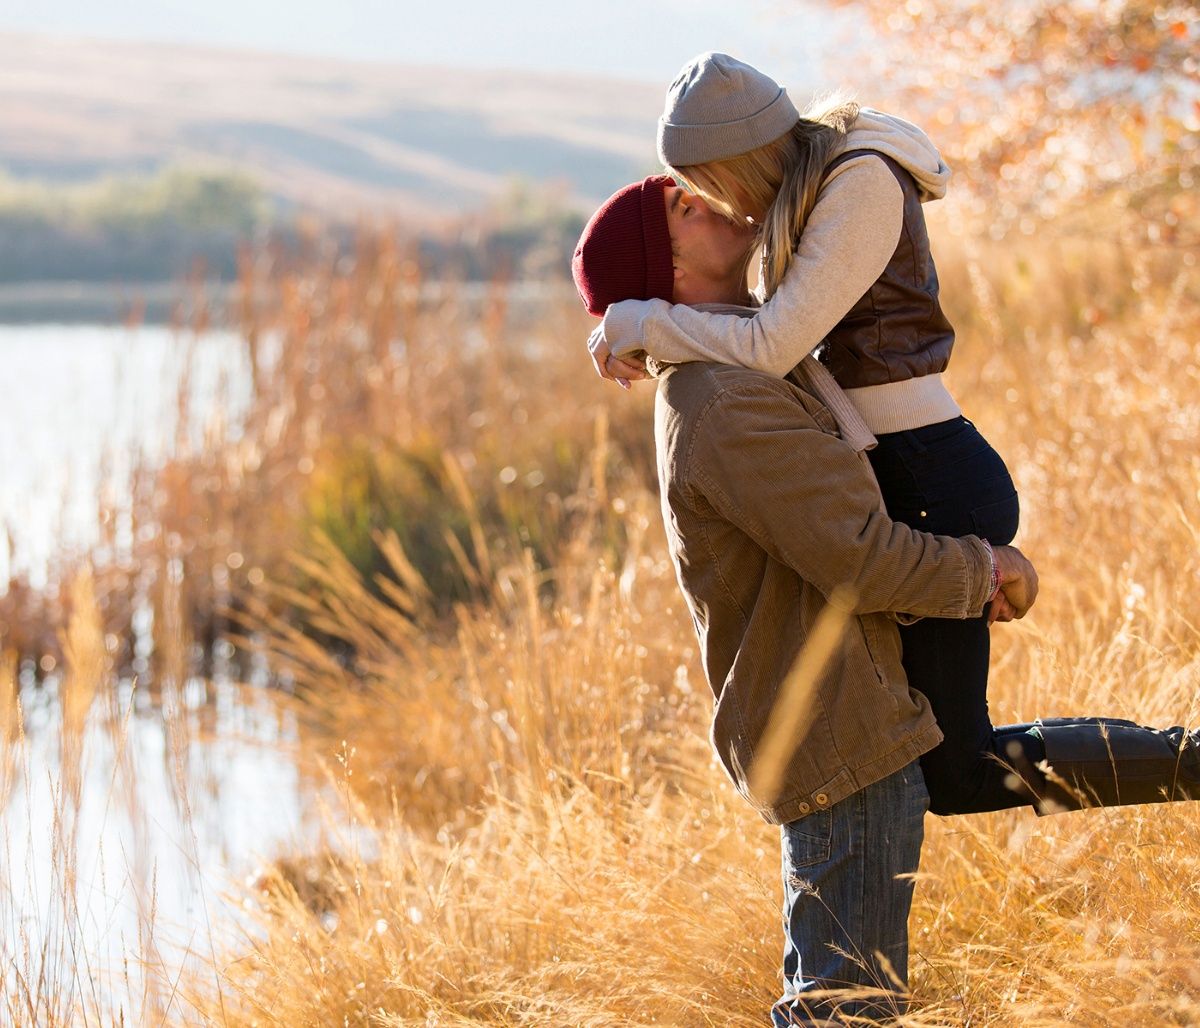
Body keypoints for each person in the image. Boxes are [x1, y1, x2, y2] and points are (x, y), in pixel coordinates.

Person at [571, 174, 1200, 1024]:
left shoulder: (745, 359)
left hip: (858, 720)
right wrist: (986, 570)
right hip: (840, 741)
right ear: (667, 264)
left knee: (856, 978)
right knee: (842, 1009)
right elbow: (859, 561)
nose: (702, 194)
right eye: (677, 207)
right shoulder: (723, 401)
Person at [582, 52, 1145, 818]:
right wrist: (642, 323)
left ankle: (1185, 759)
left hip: (931, 476)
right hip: (901, 473)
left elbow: (772, 344)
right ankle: (1179, 755)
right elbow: (745, 329)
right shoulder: (803, 196)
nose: (710, 202)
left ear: (732, 159)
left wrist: (643, 322)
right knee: (947, 766)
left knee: (958, 769)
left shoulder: (862, 180)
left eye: (704, 183)